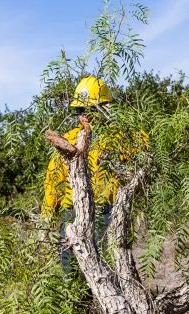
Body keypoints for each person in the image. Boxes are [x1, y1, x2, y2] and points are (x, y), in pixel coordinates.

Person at [42, 76, 146, 268]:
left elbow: (144, 161)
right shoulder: (69, 139)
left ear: (103, 106)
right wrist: (48, 214)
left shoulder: (120, 136)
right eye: (80, 110)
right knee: (70, 271)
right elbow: (53, 180)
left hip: (106, 213)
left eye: (90, 109)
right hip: (71, 215)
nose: (85, 115)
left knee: (107, 268)